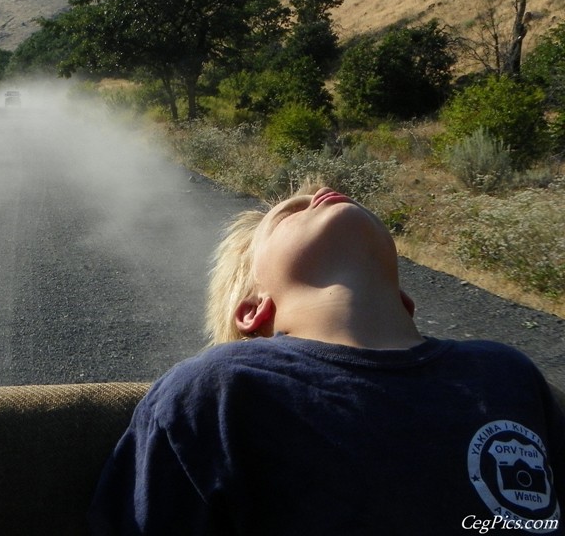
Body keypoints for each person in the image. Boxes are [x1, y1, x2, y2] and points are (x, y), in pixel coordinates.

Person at [89, 181, 565, 535]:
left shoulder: (507, 371)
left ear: (404, 300)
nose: (321, 192)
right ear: (253, 309)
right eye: (292, 212)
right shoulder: (218, 390)